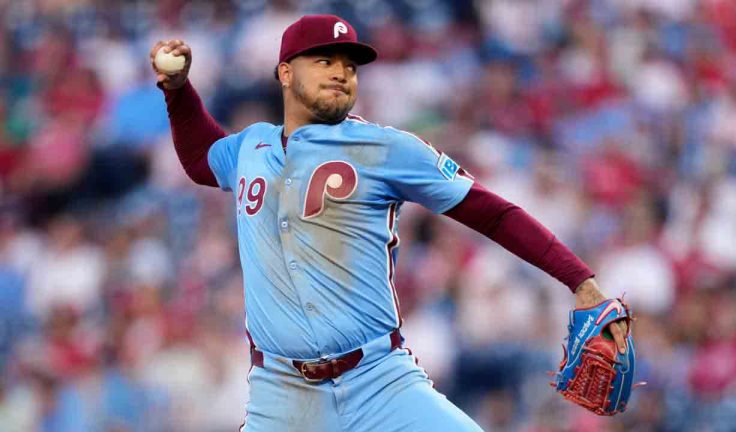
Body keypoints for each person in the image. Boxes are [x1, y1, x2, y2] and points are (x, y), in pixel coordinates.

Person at [150, 14, 627, 431]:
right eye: (326, 61)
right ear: (285, 72)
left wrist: (580, 280)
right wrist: (178, 91)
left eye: (350, 66)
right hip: (281, 395)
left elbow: (491, 212)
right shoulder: (249, 147)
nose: (342, 74)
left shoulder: (387, 149)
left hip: (379, 381)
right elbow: (199, 158)